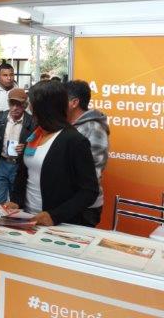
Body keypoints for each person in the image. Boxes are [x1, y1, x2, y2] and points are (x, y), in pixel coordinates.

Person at [6, 81, 99, 227]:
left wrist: (55, 216)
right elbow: (23, 173)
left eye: (31, 104)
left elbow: (89, 191)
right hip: (27, 217)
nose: (29, 108)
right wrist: (16, 201)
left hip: (57, 224)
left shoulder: (74, 140)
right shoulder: (35, 134)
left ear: (44, 108)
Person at [66, 80, 110, 226]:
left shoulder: (94, 128)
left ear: (74, 102)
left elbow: (92, 171)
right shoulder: (68, 125)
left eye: (62, 99)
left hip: (85, 207)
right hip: (67, 202)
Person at [0, 88, 34, 204]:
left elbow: (38, 145)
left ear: (25, 105)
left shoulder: (32, 122)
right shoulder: (0, 118)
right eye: (12, 104)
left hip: (19, 167)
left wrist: (26, 147)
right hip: (1, 163)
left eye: (18, 105)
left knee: (15, 203)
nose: (14, 108)